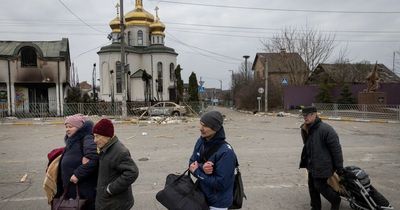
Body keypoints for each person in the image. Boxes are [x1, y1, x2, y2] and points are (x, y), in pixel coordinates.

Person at [189, 110, 237, 210]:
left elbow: (220, 184)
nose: (201, 129)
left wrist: (198, 171)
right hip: (201, 197)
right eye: (201, 124)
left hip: (217, 203)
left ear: (216, 128)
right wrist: (202, 167)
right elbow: (191, 164)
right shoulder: (201, 141)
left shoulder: (226, 152)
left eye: (205, 126)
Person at [299, 106, 344, 210]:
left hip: (323, 165)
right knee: (312, 187)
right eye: (304, 115)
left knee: (319, 186)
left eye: (308, 115)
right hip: (311, 164)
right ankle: (315, 207)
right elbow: (307, 146)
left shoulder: (326, 129)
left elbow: (336, 150)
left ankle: (335, 199)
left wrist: (339, 167)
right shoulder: (306, 128)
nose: (305, 117)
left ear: (315, 114)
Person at [92, 118, 139, 210]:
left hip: (115, 204)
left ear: (107, 136)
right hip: (108, 202)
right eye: (94, 136)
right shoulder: (106, 148)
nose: (94, 140)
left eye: (97, 136)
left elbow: (132, 172)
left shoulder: (119, 151)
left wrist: (110, 189)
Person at [56, 114, 99, 210]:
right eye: (66, 127)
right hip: (72, 189)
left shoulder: (87, 138)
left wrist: (77, 174)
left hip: (83, 190)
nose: (67, 129)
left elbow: (94, 158)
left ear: (79, 128)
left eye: (70, 127)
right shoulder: (72, 140)